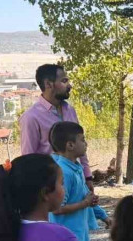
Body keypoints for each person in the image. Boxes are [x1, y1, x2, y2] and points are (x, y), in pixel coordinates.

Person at [19, 64, 94, 192]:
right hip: (51, 187)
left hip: (77, 181)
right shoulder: (31, 117)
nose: (69, 85)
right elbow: (28, 159)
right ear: (48, 84)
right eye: (64, 81)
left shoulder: (70, 110)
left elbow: (79, 143)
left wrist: (87, 176)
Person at [48, 121, 110, 241]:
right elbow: (56, 209)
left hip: (79, 238)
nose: (86, 143)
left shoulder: (77, 168)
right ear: (70, 145)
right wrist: (84, 203)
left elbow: (85, 197)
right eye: (82, 140)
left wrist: (104, 216)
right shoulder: (64, 172)